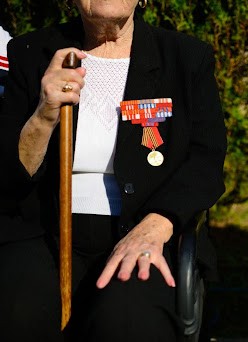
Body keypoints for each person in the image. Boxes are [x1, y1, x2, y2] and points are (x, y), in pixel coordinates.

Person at [0, 0, 226, 341]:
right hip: (43, 232)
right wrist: (45, 113)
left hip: (141, 230)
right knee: (19, 312)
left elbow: (205, 161)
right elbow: (10, 173)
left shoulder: (184, 57)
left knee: (128, 322)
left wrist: (157, 225)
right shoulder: (31, 52)